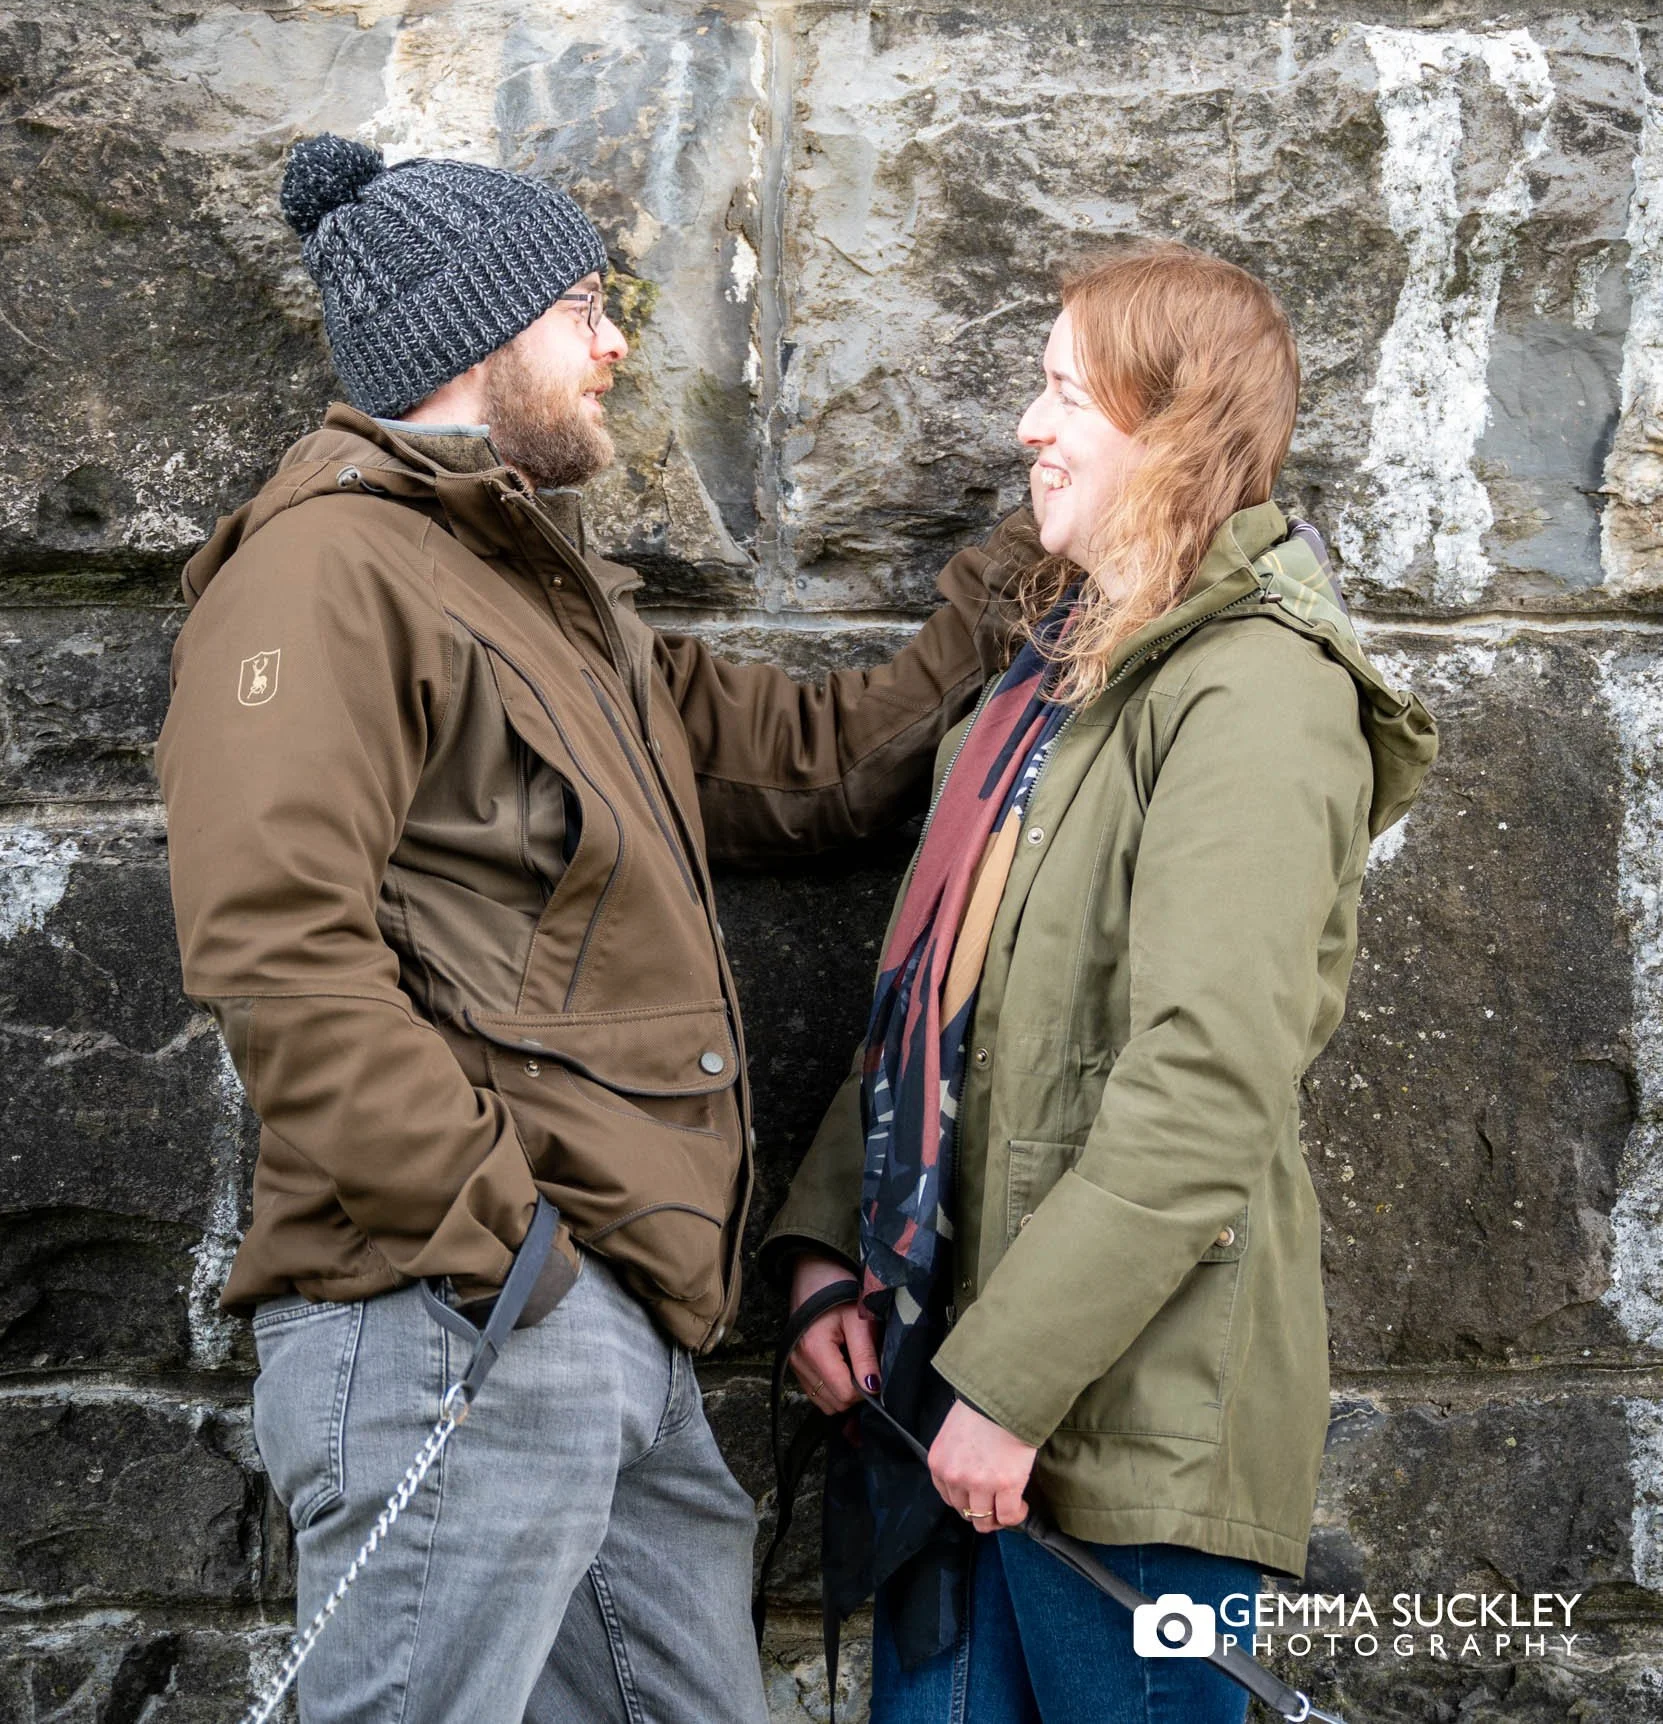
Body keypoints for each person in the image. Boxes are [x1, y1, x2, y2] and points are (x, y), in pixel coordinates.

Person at [156, 132, 1038, 1724]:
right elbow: (274, 941)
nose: (617, 338)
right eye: (583, 305)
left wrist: (1028, 558)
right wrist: (508, 1247)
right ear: (476, 342)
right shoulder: (325, 574)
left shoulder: (544, 593)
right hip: (459, 1313)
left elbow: (823, 763)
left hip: (596, 1326)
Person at [769, 240, 1438, 1724]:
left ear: (1175, 430)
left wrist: (1005, 1387)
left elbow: (1202, 1085)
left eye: (1063, 390)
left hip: (1121, 1445)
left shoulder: (1256, 692)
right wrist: (828, 1248)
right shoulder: (1051, 686)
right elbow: (943, 1005)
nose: (1027, 426)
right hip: (942, 1399)